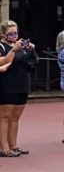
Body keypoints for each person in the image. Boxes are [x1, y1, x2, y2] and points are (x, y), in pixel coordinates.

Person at [0, 20, 36, 157]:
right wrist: (14, 50)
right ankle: (3, 148)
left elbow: (29, 63)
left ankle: (13, 145)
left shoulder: (21, 46)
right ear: (3, 34)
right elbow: (4, 61)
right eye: (10, 33)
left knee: (15, 117)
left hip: (22, 84)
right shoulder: (2, 47)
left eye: (15, 33)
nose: (14, 36)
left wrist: (31, 49)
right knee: (5, 117)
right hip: (6, 85)